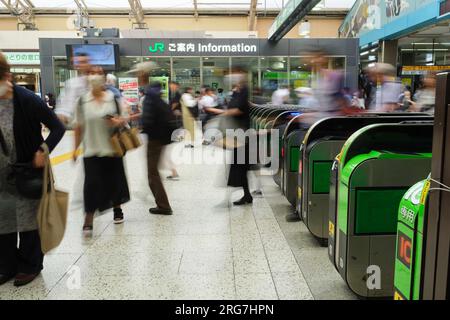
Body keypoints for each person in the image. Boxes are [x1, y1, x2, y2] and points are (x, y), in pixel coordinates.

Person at [0, 52, 65, 287]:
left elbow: (58, 128)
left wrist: (43, 150)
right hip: (2, 173)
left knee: (28, 220)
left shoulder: (27, 100)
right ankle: (7, 265)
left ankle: (30, 265)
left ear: (6, 76)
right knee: (4, 221)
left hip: (27, 170)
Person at [73, 66, 131, 235]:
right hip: (91, 150)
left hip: (112, 149)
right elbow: (78, 126)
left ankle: (117, 209)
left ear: (105, 78)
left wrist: (118, 121)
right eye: (91, 73)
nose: (95, 76)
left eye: (98, 73)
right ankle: (88, 219)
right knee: (91, 185)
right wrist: (74, 149)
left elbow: (124, 119)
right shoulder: (82, 101)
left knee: (115, 181)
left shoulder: (113, 98)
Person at [222, 67, 253, 206]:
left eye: (235, 73)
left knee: (240, 165)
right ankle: (247, 195)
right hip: (237, 133)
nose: (232, 76)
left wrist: (222, 113)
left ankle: (238, 196)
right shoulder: (239, 90)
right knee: (241, 166)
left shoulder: (244, 90)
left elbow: (239, 109)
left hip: (241, 133)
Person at [142, 81, 174, 215]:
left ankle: (163, 206)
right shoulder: (160, 100)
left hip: (154, 140)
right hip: (161, 139)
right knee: (154, 172)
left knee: (152, 173)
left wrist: (143, 127)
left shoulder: (149, 99)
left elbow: (148, 120)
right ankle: (163, 204)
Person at [55, 52, 91, 126]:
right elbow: (64, 108)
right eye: (79, 62)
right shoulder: (71, 84)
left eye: (85, 62)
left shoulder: (97, 82)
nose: (82, 65)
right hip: (78, 126)